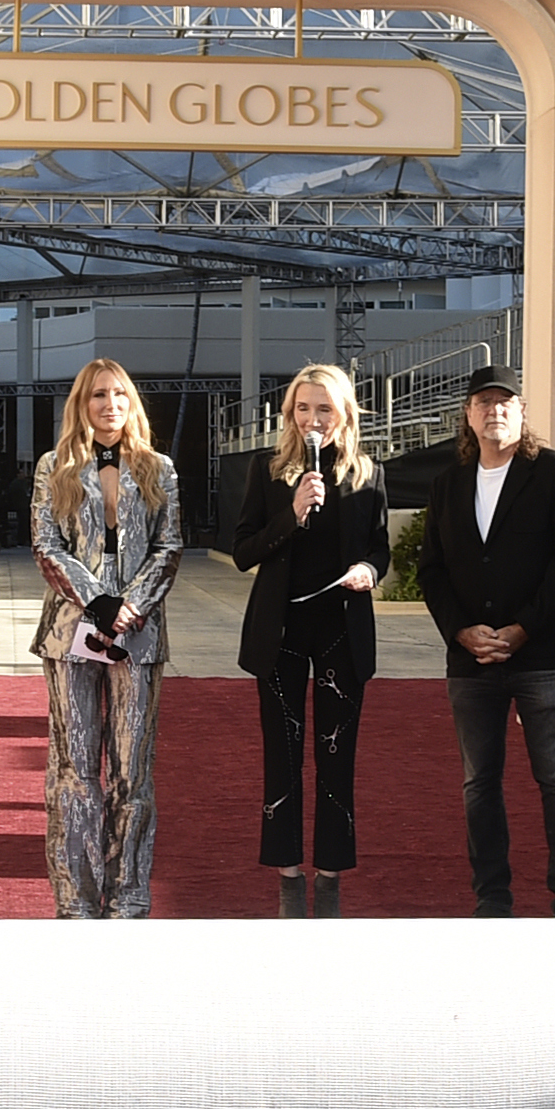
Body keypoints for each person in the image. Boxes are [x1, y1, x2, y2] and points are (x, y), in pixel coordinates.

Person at [419, 365, 555, 918]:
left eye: (505, 401)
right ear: (467, 416)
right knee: (479, 783)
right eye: (483, 402)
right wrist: (460, 630)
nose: (494, 410)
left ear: (522, 412)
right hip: (470, 662)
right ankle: (491, 897)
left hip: (539, 655)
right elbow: (432, 570)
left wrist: (522, 629)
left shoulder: (554, 473)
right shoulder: (450, 482)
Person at [233, 364, 389, 918]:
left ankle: (329, 879)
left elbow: (379, 548)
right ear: (290, 414)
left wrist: (370, 571)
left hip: (341, 634)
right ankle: (289, 879)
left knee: (335, 757)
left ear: (344, 413)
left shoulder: (368, 475)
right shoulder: (268, 471)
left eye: (324, 409)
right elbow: (245, 550)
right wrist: (292, 513)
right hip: (282, 635)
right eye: (303, 409)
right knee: (283, 757)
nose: (312, 420)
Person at [32, 358, 183, 919]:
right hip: (71, 633)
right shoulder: (55, 466)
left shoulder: (159, 468)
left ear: (132, 402)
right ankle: (75, 898)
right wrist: (97, 600)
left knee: (132, 769)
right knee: (74, 768)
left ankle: (129, 894)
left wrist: (131, 606)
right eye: (98, 395)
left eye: (119, 394)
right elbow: (46, 544)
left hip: (138, 637)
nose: (109, 404)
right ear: (81, 403)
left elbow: (169, 548)